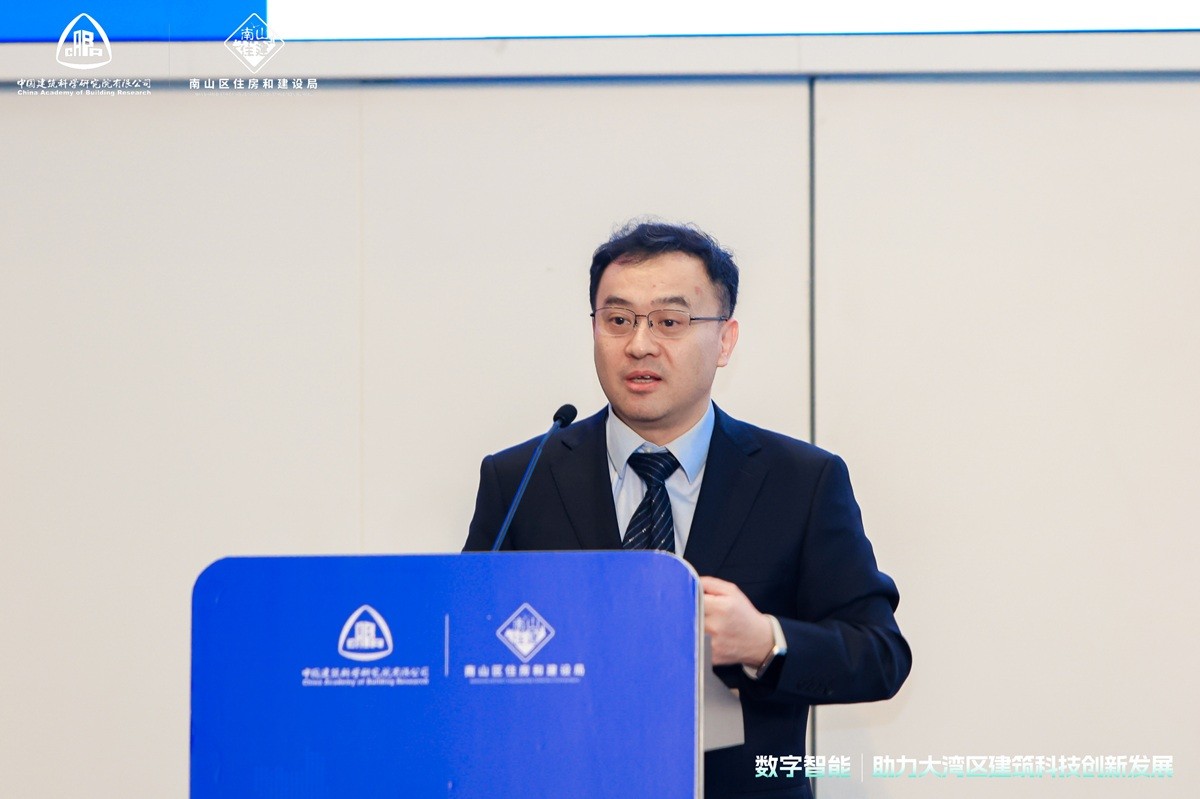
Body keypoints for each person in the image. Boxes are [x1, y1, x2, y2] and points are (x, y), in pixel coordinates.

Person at [463, 220, 911, 799]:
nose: (639, 344)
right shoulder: (521, 477)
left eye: (669, 322)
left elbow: (879, 654)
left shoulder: (800, 481)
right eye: (617, 319)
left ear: (725, 340)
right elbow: (466, 643)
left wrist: (764, 641)